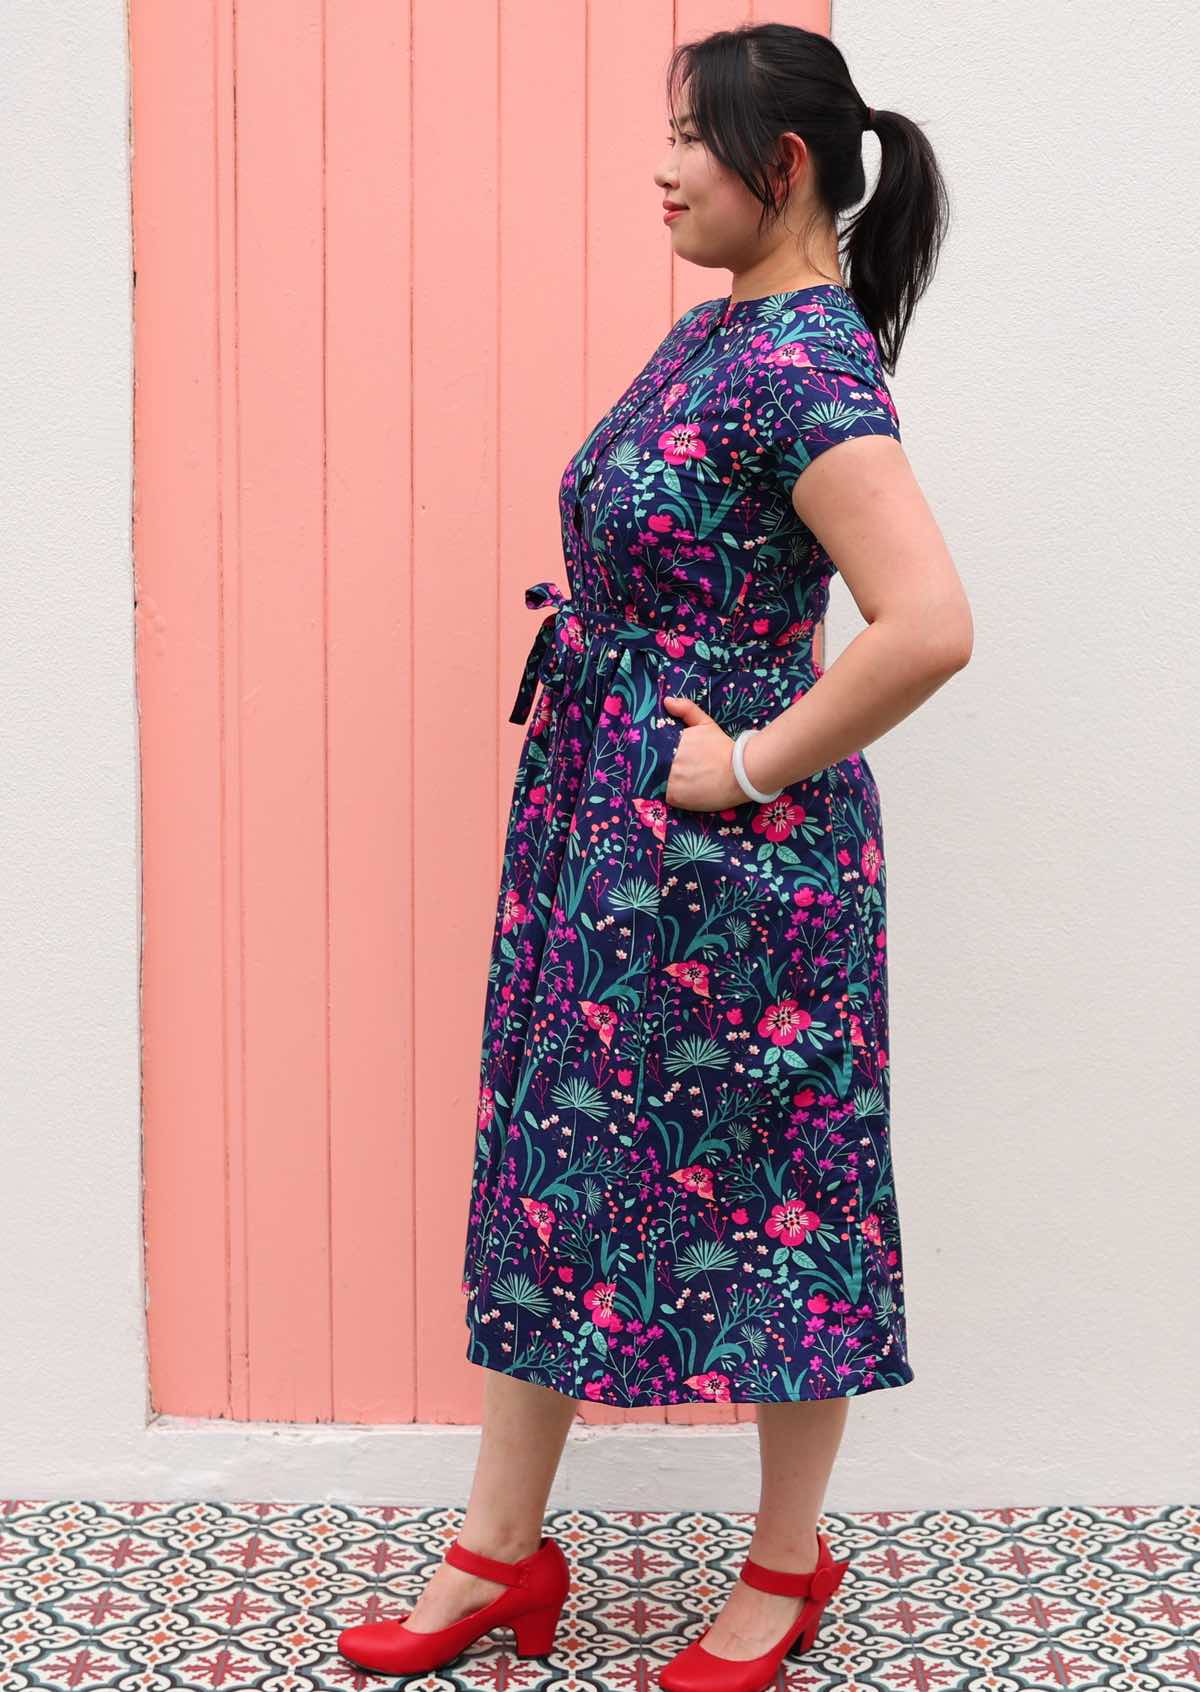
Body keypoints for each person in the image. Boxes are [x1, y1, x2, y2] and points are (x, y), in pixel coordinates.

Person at [338, 20, 969, 1691]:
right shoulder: (717, 336)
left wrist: (745, 764)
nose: (661, 166)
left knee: (778, 1202)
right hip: (605, 838)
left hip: (741, 869)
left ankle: (784, 1569)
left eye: (692, 138)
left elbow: (929, 626)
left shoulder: (813, 368)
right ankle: (498, 1553)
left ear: (783, 168)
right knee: (549, 1172)